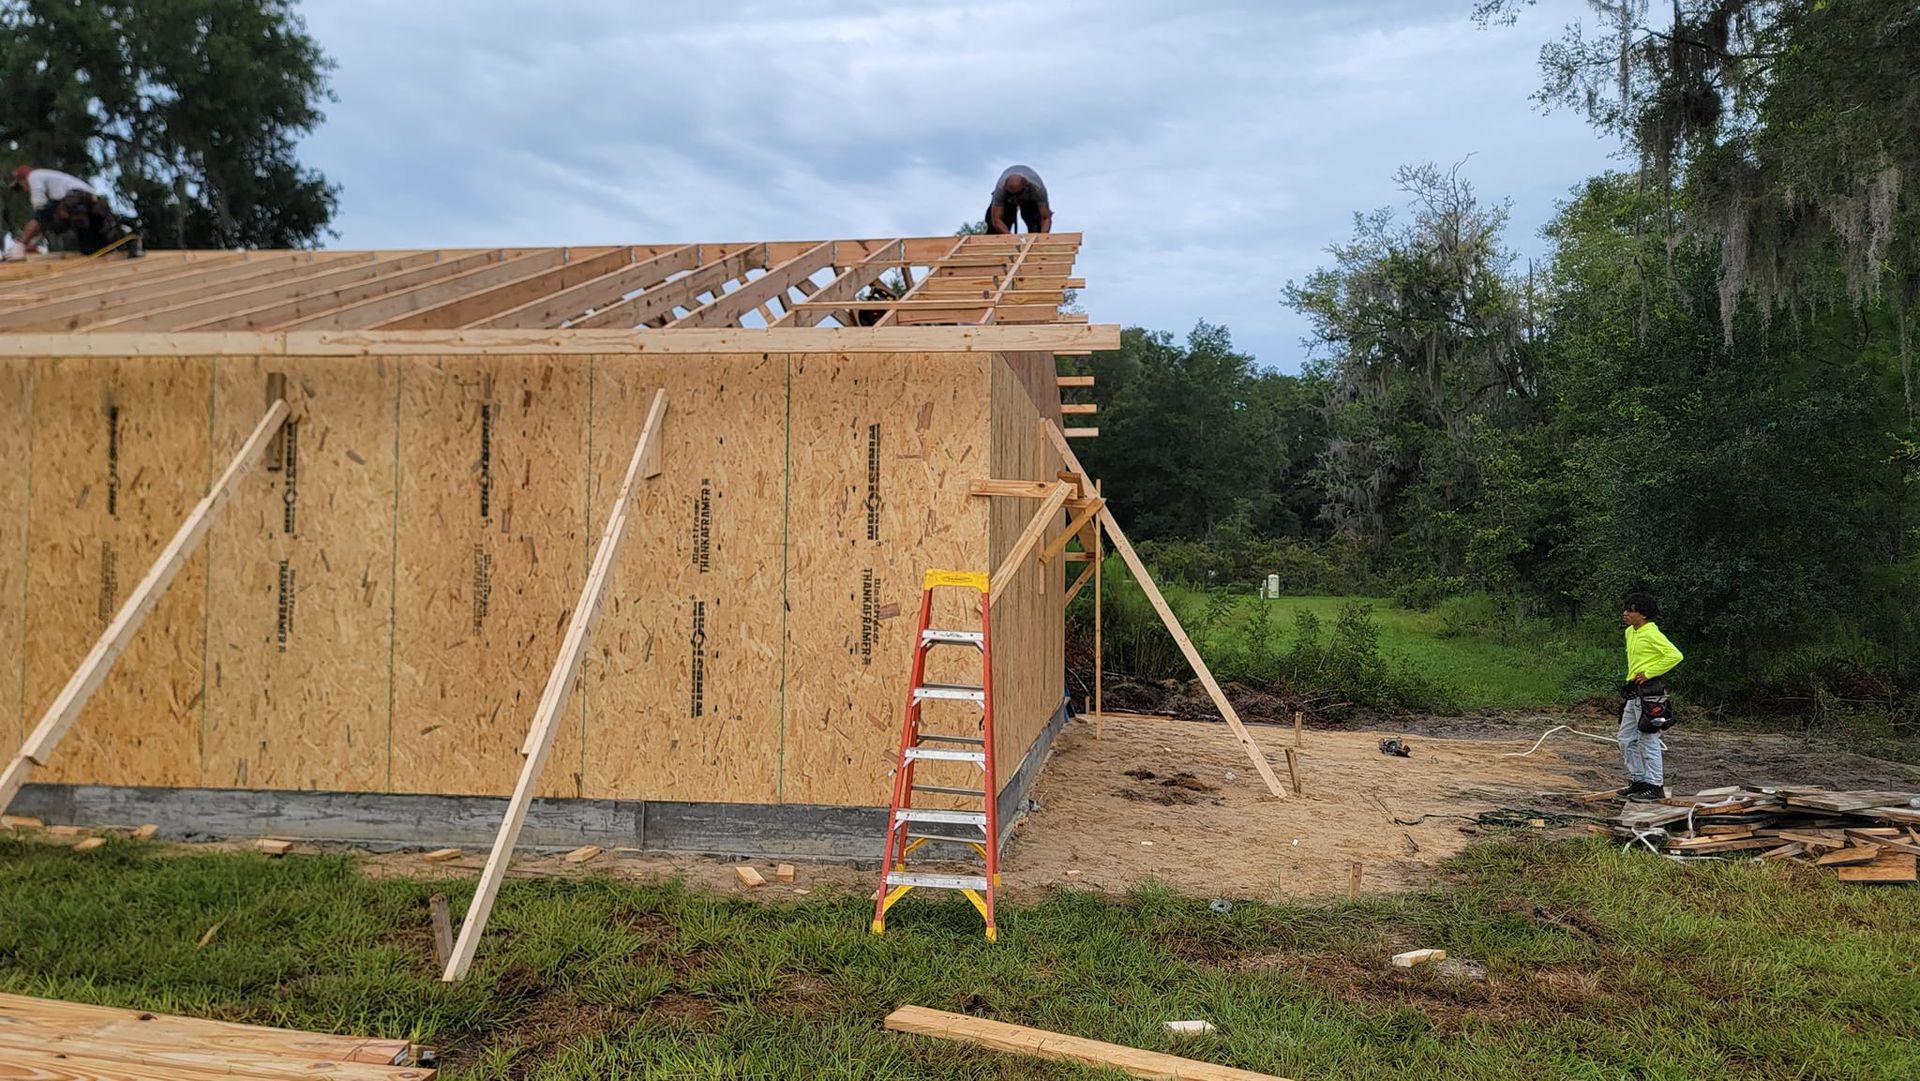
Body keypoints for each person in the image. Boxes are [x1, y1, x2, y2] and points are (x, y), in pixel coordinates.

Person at [1618, 592, 1684, 800]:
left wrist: (1649, 673)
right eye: (1626, 609)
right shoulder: (1630, 632)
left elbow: (1675, 655)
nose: (1626, 613)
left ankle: (1655, 785)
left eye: (1631, 610)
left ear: (1643, 614)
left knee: (1648, 739)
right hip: (1634, 692)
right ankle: (1638, 780)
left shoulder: (1650, 633)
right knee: (1626, 738)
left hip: (1649, 693)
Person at [5, 165, 136, 259]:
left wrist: (24, 243)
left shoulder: (34, 176)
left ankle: (19, 247)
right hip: (95, 203)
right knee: (95, 248)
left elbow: (40, 209)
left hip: (76, 200)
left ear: (23, 179)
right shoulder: (54, 183)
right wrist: (34, 243)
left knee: (43, 215)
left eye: (21, 186)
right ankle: (132, 244)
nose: (24, 190)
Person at [985, 165, 1052, 235]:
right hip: (1007, 201)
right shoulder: (1000, 189)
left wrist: (1042, 238)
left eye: (1018, 194)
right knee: (994, 228)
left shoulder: (1038, 189)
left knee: (1036, 223)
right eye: (1011, 195)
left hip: (1030, 200)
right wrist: (1010, 238)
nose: (1015, 199)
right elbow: (996, 219)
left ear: (1026, 187)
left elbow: (1045, 218)